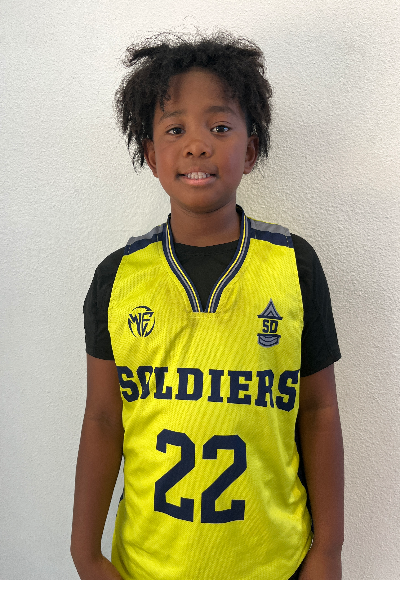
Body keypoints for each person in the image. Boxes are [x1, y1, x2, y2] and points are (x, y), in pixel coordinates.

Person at [70, 32, 344, 580]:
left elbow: (318, 411)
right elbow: (102, 419)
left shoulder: (293, 264)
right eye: (176, 129)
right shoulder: (118, 277)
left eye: (219, 127)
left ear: (251, 149)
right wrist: (84, 553)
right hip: (148, 565)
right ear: (151, 155)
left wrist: (328, 551)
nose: (197, 145)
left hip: (274, 563)